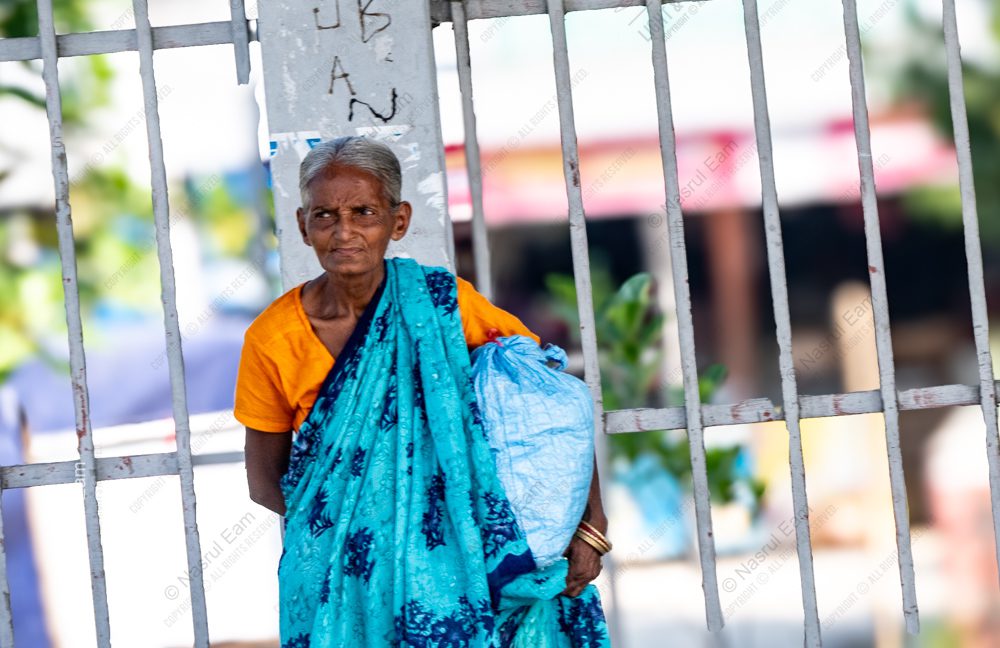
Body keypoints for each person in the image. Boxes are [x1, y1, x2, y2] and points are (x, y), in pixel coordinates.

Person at [236, 135, 612, 646]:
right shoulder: (271, 338)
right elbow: (264, 481)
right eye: (324, 215)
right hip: (343, 578)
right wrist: (372, 537)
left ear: (399, 220)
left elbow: (552, 407)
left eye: (364, 212)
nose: (344, 231)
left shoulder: (444, 304)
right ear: (303, 226)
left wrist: (589, 522)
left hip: (462, 562)